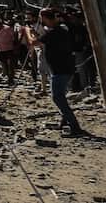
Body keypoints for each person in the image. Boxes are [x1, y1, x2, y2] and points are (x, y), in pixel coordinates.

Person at [27, 8, 86, 136]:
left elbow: (34, 42)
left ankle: (74, 126)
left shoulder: (53, 32)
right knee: (61, 96)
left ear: (46, 18)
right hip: (66, 68)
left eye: (42, 19)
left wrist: (29, 33)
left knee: (57, 98)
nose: (41, 21)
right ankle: (64, 122)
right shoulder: (61, 30)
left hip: (60, 70)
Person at [0, 18, 17, 86]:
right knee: (4, 65)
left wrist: (15, 47)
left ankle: (11, 79)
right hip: (1, 49)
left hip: (9, 49)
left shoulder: (7, 28)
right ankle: (9, 78)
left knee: (10, 64)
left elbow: (13, 38)